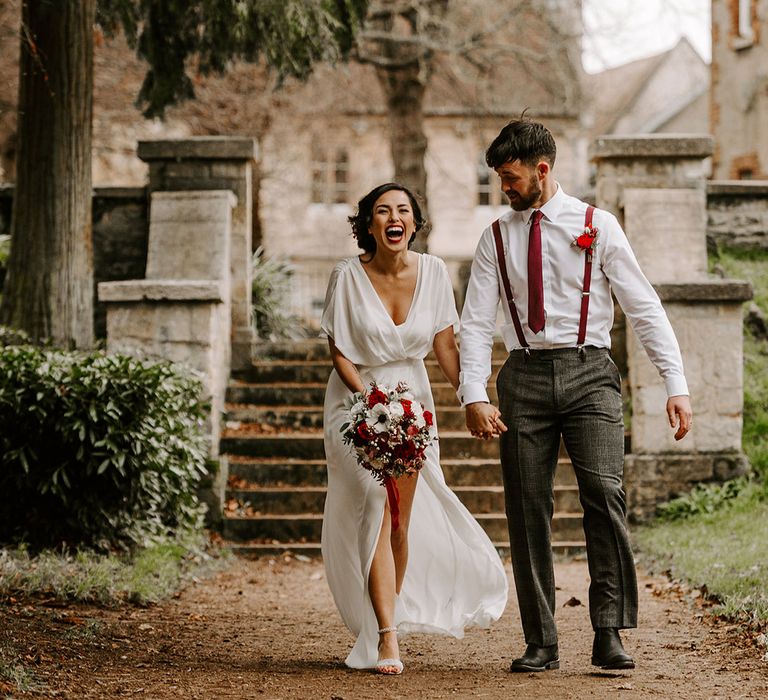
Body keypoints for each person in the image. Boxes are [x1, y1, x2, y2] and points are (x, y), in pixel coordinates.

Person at [459, 119, 693, 673]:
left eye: (512, 178)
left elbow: (642, 305)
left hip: (591, 373)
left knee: (603, 495)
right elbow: (474, 322)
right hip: (524, 376)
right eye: (499, 180)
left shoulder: (597, 225)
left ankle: (608, 631)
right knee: (526, 507)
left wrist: (674, 383)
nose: (505, 190)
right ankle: (540, 639)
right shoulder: (495, 236)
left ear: (543, 169)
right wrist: (474, 392)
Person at [321, 182, 508, 674]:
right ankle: (386, 637)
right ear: (368, 225)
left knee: (400, 521)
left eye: (402, 210)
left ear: (414, 222)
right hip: (356, 403)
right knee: (377, 506)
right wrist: (368, 403)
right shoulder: (345, 276)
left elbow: (446, 348)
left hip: (413, 405)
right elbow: (340, 351)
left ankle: (389, 612)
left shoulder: (434, 272)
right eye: (382, 211)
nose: (393, 217)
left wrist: (474, 397)